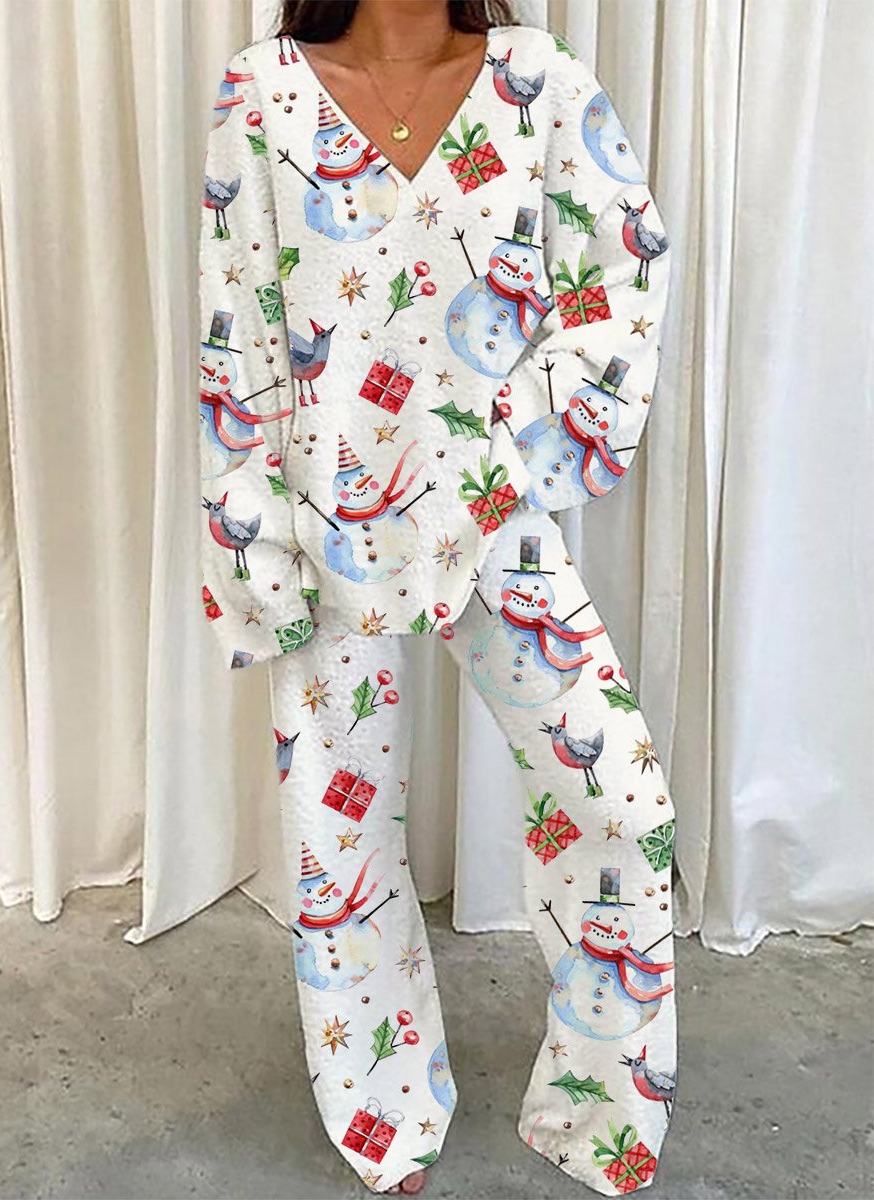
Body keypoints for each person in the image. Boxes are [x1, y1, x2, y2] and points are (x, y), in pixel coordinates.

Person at [197, 1, 675, 1194]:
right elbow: (238, 330)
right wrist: (255, 544)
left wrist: (530, 446)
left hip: (493, 519)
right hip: (327, 525)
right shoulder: (263, 92)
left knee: (619, 804)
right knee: (340, 843)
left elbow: (624, 271)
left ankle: (599, 1111)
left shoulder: (537, 81)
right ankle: (384, 1110)